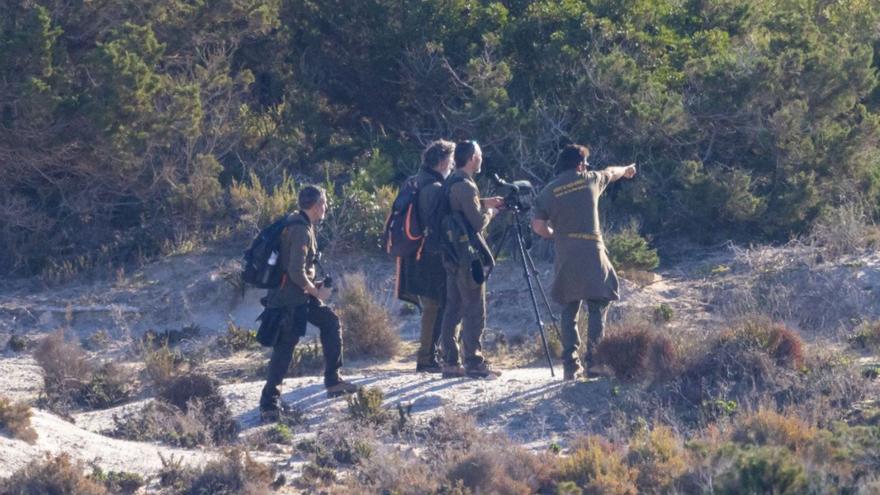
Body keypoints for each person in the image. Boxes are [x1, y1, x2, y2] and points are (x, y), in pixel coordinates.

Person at [531, 144, 636, 380]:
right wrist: (627, 169)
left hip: (565, 253)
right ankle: (595, 361)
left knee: (569, 307)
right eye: (586, 163)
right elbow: (612, 172)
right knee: (599, 303)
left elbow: (538, 226)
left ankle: (570, 365)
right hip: (591, 251)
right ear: (580, 165)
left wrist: (556, 233)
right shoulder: (591, 179)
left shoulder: (548, 191)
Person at [259, 185, 359, 422]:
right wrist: (316, 292)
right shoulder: (301, 230)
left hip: (297, 295)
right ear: (315, 206)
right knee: (285, 346)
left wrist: (314, 287)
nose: (326, 208)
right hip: (291, 298)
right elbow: (295, 271)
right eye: (324, 203)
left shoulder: (296, 224)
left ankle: (333, 380)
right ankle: (269, 402)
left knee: (330, 322)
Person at [438, 141, 505, 378]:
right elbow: (477, 222)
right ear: (472, 158)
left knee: (453, 308)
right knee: (475, 308)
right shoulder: (466, 186)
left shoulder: (451, 182)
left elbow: (459, 211)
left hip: (452, 254)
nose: (482, 158)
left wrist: (484, 202)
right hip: (468, 258)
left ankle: (450, 361)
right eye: (480, 154)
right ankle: (474, 362)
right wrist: (491, 212)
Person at [397, 139, 456, 373]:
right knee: (435, 305)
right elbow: (441, 221)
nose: (451, 164)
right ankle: (426, 358)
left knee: (434, 305)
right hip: (430, 254)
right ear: (442, 162)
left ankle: (430, 356)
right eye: (450, 160)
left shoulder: (413, 181)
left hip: (414, 253)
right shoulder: (434, 188)